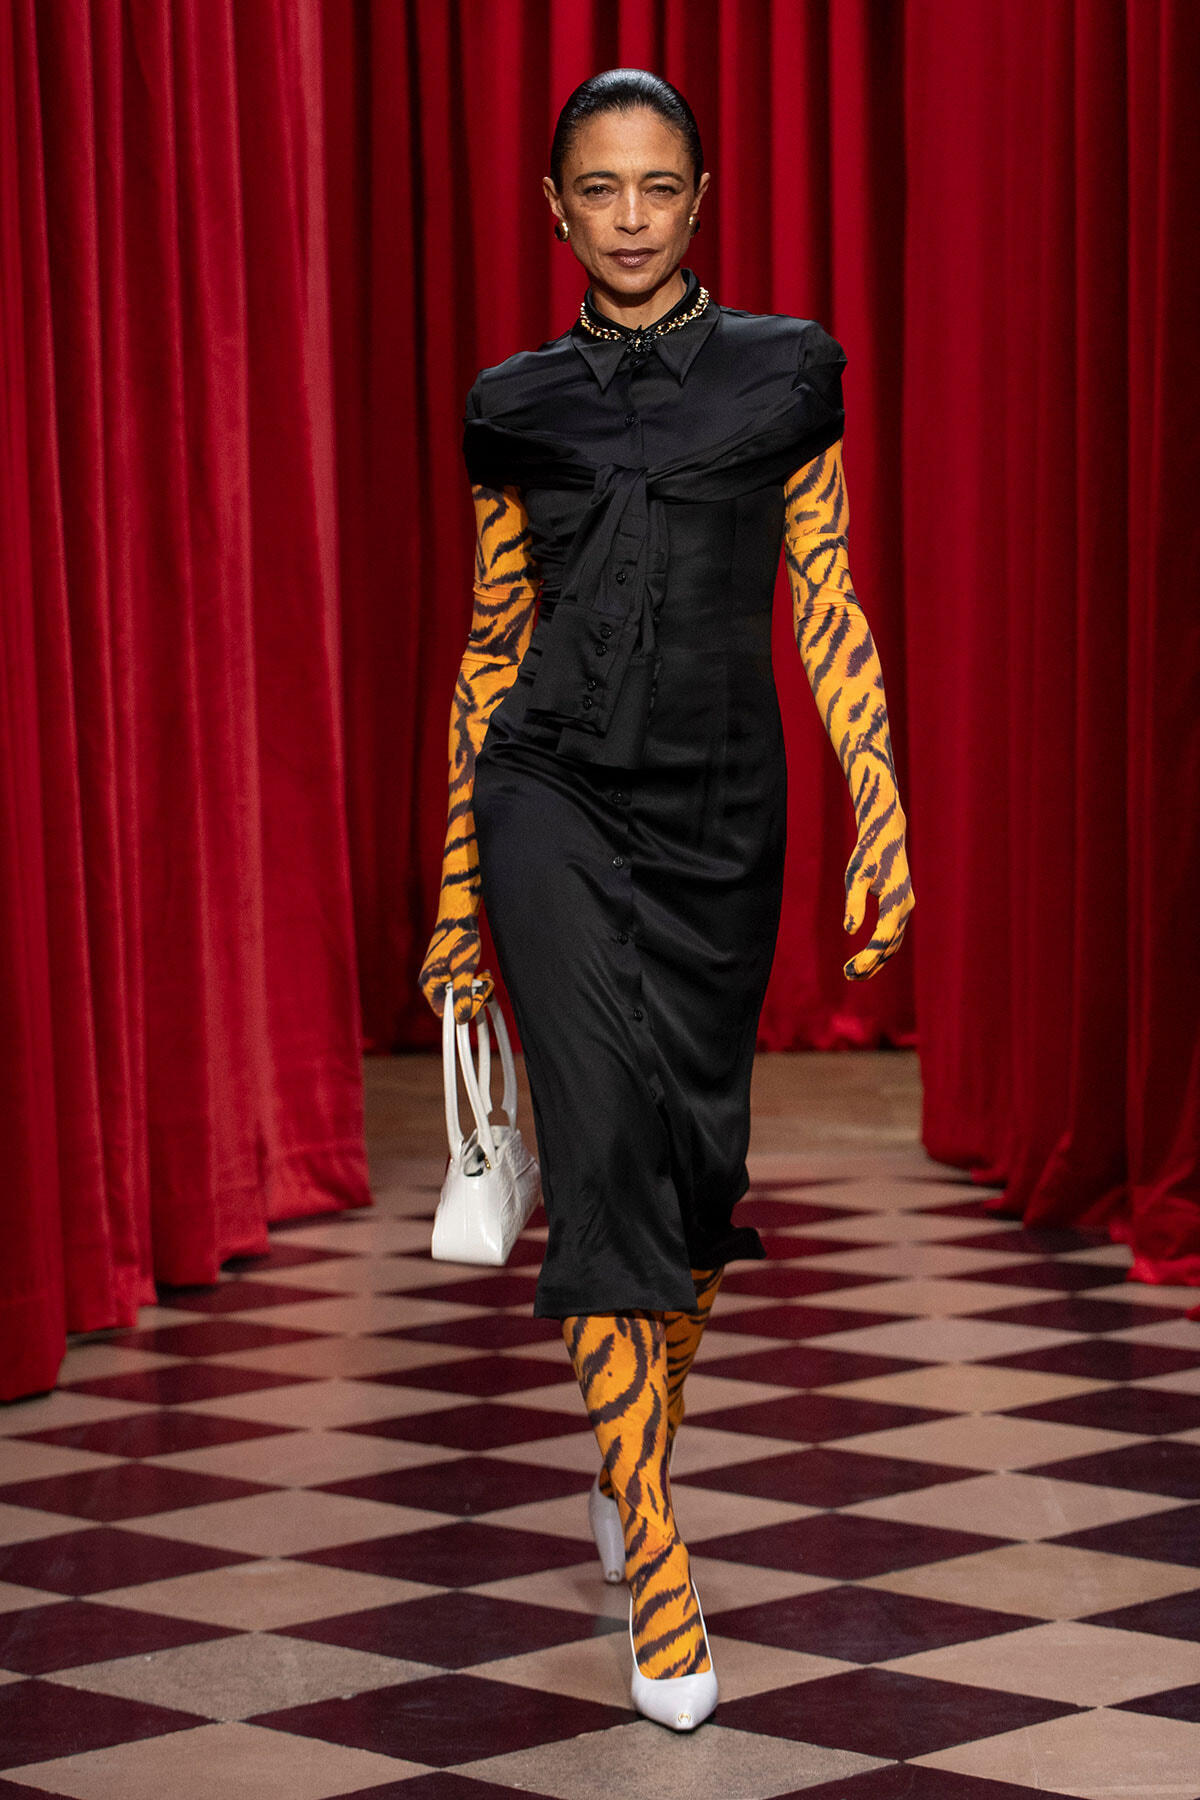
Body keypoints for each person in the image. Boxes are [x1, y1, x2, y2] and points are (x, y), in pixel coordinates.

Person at [420, 68, 914, 1731]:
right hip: (551, 800)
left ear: (697, 200)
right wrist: (450, 903)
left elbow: (829, 597)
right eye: (599, 191)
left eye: (657, 189)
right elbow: (492, 653)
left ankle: (632, 1459)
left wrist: (882, 802)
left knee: (697, 1183)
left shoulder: (786, 373)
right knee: (609, 1166)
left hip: (722, 821)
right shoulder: (515, 401)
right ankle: (653, 1548)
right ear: (554, 209)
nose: (629, 218)